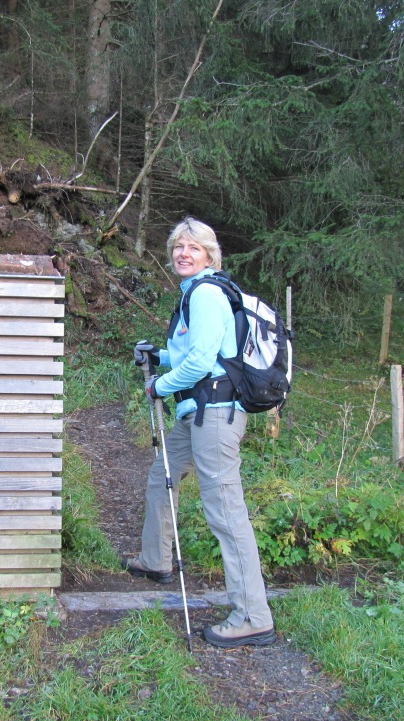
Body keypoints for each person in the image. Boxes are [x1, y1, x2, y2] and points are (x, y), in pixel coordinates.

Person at [125, 217, 276, 648]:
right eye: (178, 247)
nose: (183, 254)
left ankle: (252, 615)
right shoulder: (196, 295)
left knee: (226, 512)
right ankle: (155, 560)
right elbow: (190, 353)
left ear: (210, 255)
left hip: (215, 417)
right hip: (197, 415)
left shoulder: (208, 294)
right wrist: (160, 354)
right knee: (162, 475)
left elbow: (201, 361)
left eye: (193, 248)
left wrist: (159, 384)